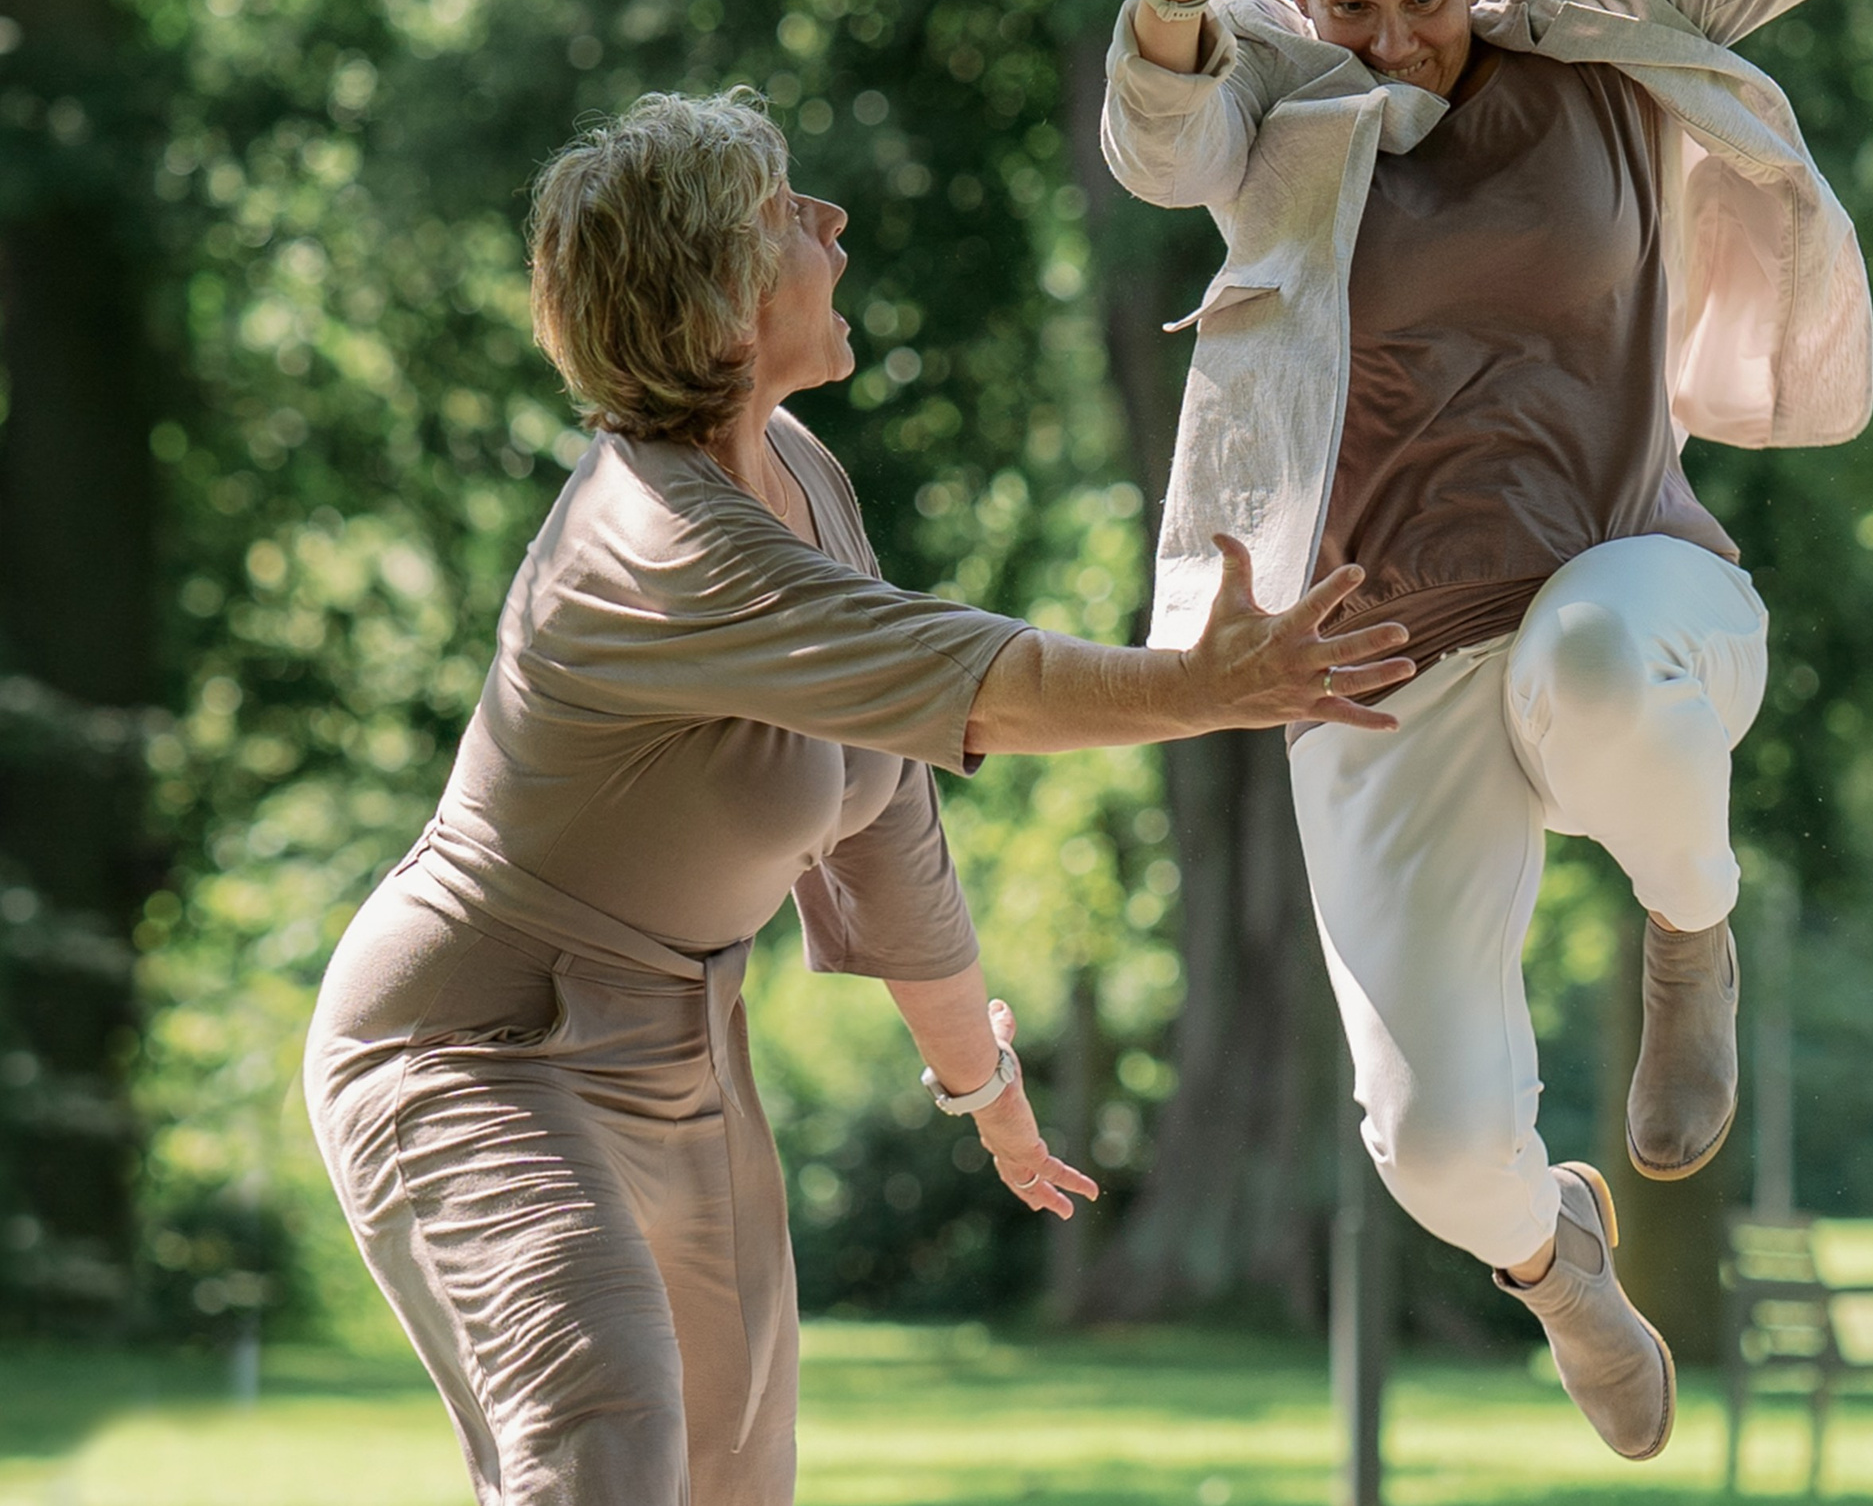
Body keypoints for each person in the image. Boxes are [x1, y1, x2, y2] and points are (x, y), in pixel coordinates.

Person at [303, 88, 1413, 1506]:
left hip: (682, 1052)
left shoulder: (800, 477)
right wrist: (1202, 684)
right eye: (787, 213)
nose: (833, 226)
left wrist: (986, 1090)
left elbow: (888, 816)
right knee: (603, 1434)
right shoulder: (651, 536)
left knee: (731, 1479)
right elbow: (959, 669)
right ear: (715, 303)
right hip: (473, 1049)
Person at [1101, 0, 1873, 1459]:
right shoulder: (1269, 78)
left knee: (1589, 662)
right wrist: (1170, 0)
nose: (1396, 41)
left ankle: (1692, 934)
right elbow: (1160, 145)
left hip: (1629, 580)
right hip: (1372, 653)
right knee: (1434, 1142)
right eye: (1355, 3)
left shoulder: (1593, 4)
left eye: (1428, 0)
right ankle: (1559, 1259)